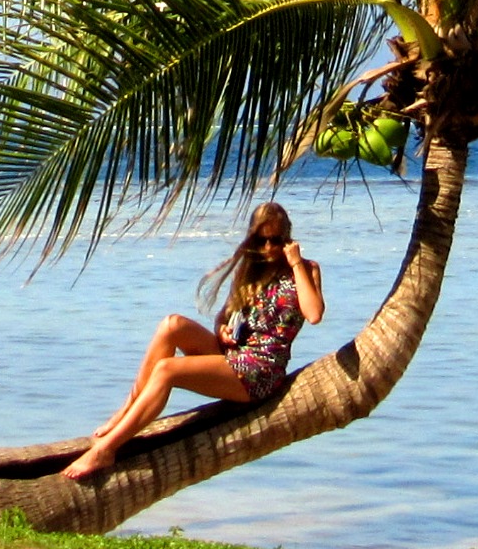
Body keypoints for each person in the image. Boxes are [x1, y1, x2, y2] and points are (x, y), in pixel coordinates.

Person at [60, 201, 325, 480]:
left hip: (261, 371)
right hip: (235, 355)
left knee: (167, 370)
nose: (269, 247)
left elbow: (314, 313)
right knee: (172, 325)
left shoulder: (306, 269)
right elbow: (225, 315)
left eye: (276, 239)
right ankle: (126, 409)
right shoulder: (250, 268)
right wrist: (222, 328)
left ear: (288, 238)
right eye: (262, 240)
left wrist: (295, 263)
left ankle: (107, 450)